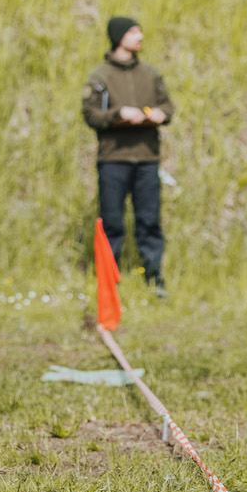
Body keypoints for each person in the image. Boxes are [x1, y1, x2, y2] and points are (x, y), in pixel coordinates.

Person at [82, 17, 173, 299]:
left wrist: (161, 114)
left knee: (149, 221)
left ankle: (155, 280)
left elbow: (167, 105)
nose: (140, 36)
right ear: (119, 36)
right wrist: (118, 114)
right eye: (133, 32)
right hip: (114, 160)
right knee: (112, 223)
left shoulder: (150, 73)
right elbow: (90, 115)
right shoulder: (100, 76)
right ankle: (109, 283)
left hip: (147, 159)